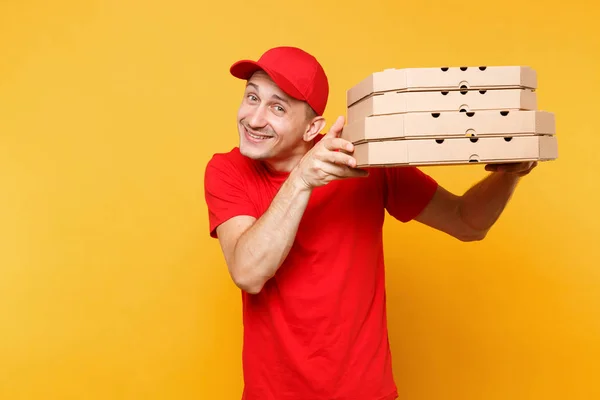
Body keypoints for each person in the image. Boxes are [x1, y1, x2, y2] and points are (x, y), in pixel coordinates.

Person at [204, 46, 537, 400]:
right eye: (252, 97)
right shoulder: (227, 171)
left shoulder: (368, 161)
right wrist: (302, 179)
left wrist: (509, 174)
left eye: (277, 107)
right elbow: (248, 272)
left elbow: (468, 223)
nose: (253, 119)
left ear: (312, 128)